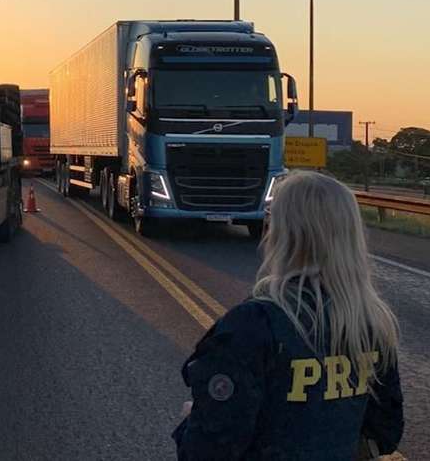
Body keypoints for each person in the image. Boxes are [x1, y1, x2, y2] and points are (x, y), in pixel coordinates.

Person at [173, 171, 403, 460]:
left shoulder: (255, 323)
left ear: (282, 234)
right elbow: (386, 433)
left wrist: (192, 418)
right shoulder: (372, 324)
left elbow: (207, 450)